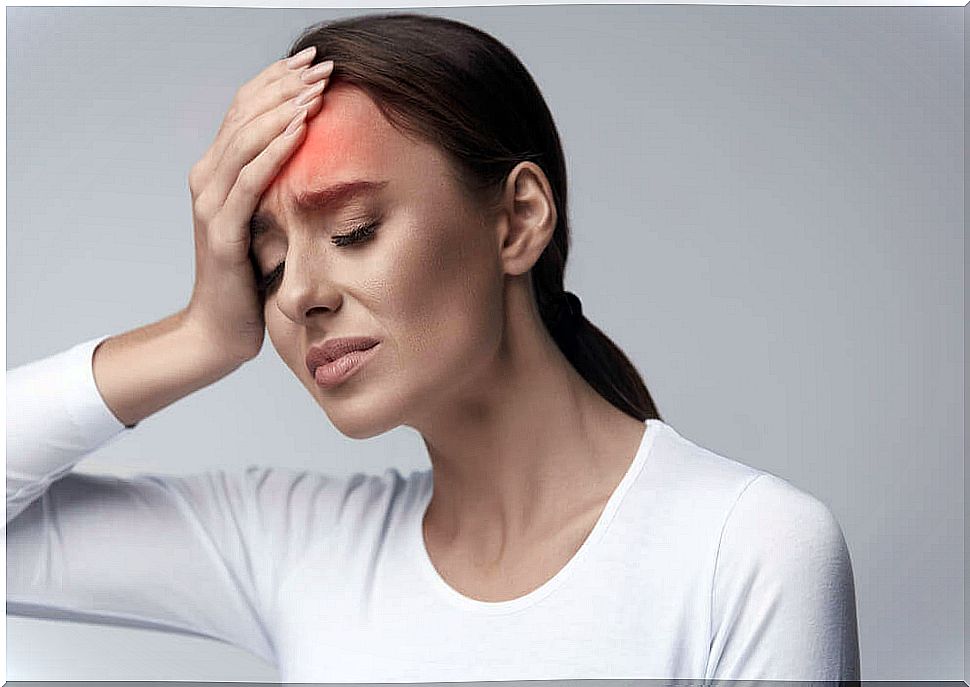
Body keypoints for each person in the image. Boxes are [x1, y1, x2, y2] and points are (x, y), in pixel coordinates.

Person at [6, 12, 860, 683]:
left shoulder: (744, 547)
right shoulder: (302, 547)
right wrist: (200, 335)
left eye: (355, 227)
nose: (298, 293)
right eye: (266, 266)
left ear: (519, 218)